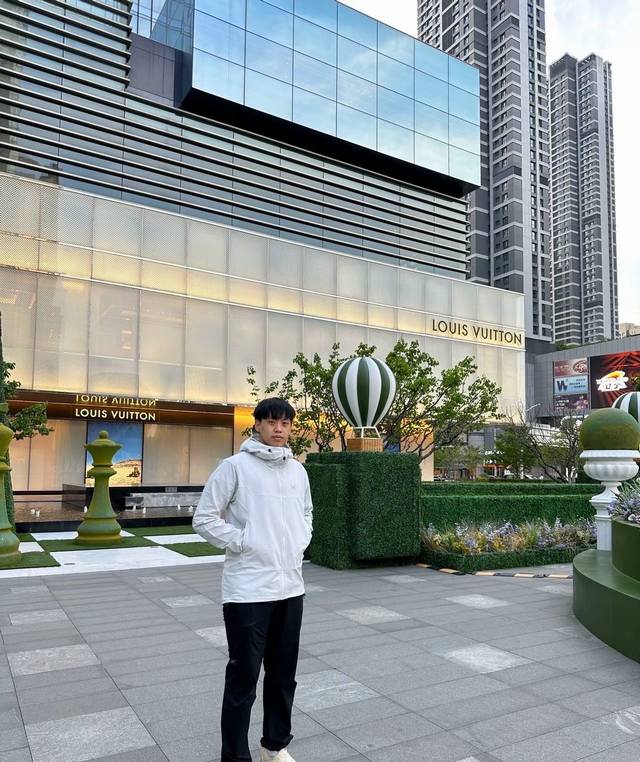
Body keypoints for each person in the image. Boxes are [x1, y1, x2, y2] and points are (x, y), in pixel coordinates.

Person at [193, 398, 313, 762]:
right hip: (247, 590)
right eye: (271, 422)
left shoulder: (298, 471)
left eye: (285, 423)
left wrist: (300, 540)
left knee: (283, 676)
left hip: (290, 588)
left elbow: (307, 513)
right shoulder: (234, 467)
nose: (279, 429)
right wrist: (244, 541)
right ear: (257, 424)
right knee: (243, 678)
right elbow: (204, 518)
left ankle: (274, 747)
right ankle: (235, 756)